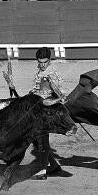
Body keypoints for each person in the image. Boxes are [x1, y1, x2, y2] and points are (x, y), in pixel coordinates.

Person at [30, 47, 66, 180]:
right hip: (38, 107)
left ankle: (41, 171)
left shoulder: (53, 73)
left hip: (48, 110)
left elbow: (61, 95)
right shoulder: (40, 70)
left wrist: (53, 97)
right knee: (39, 139)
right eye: (40, 62)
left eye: (45, 62)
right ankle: (54, 165)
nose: (43, 64)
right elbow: (36, 88)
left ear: (49, 60)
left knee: (41, 138)